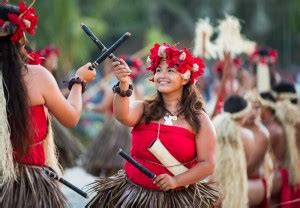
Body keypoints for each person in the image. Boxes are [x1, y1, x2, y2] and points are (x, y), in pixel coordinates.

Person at [86, 43, 218, 207]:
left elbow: (208, 164)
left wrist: (176, 181)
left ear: (185, 77)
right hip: (132, 195)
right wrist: (124, 84)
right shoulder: (144, 108)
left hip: (174, 199)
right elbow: (122, 115)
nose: (162, 75)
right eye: (158, 70)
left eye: (170, 70)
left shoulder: (200, 120)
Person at [0, 2, 96, 208]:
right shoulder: (37, 76)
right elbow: (71, 117)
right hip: (31, 188)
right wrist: (78, 82)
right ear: (21, 36)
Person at [212, 95, 255, 208]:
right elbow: (248, 165)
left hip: (211, 186)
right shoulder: (248, 136)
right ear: (244, 115)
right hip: (235, 190)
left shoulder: (212, 130)